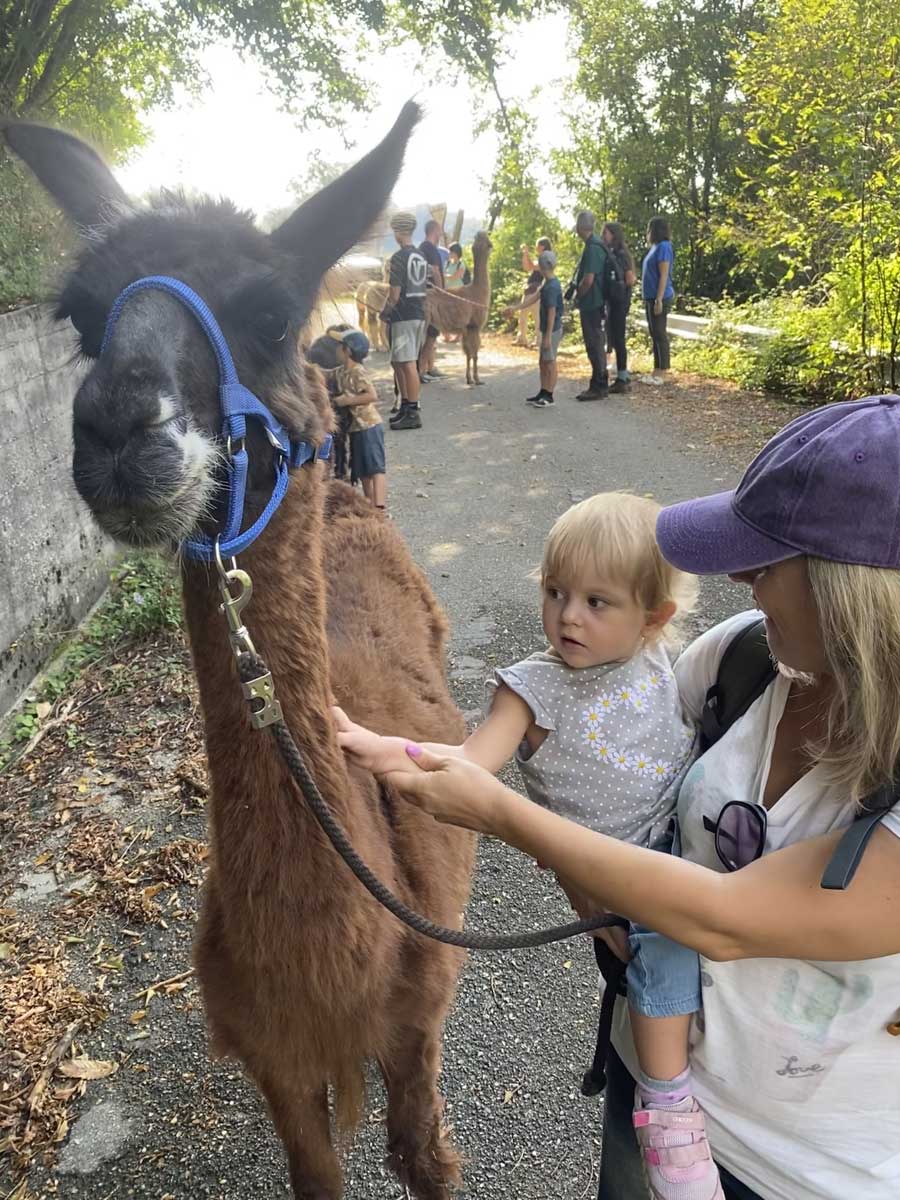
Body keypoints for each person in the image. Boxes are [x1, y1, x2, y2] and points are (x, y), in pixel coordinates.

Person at [357, 395, 900, 1200]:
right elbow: (596, 759)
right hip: (647, 1081)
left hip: (808, 1173)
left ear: (853, 592)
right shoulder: (743, 660)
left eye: (768, 560)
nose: (742, 579)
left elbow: (724, 919)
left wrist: (510, 817)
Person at [335, 491, 721, 1199]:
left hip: (693, 836)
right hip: (630, 872)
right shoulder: (532, 688)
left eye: (597, 602)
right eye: (555, 592)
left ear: (653, 619)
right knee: (660, 966)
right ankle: (669, 1110)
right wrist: (376, 745)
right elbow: (464, 764)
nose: (568, 616)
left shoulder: (664, 660)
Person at [330, 330, 386, 510]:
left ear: (348, 350)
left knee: (375, 468)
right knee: (362, 469)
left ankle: (379, 506)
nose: (337, 349)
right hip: (355, 428)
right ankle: (369, 503)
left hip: (369, 425)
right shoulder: (341, 372)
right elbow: (324, 373)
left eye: (340, 346)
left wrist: (347, 401)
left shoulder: (358, 372)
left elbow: (372, 395)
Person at [382, 211, 427, 431]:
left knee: (408, 362)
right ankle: (405, 406)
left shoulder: (399, 258)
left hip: (403, 315)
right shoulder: (420, 255)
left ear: (399, 231)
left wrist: (385, 311)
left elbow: (394, 294)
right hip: (418, 313)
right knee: (398, 361)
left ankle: (413, 410)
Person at [504, 249, 564, 407]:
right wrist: (515, 308)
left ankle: (549, 396)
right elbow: (534, 298)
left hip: (552, 329)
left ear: (543, 267)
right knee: (543, 361)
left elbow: (552, 313)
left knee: (550, 362)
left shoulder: (552, 287)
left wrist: (547, 336)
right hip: (546, 328)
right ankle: (543, 391)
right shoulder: (547, 283)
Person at [572, 212, 610, 401]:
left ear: (580, 227)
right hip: (595, 301)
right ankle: (599, 383)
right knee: (596, 342)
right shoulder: (595, 244)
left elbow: (588, 280)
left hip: (592, 302)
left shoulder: (593, 248)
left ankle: (598, 385)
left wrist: (577, 296)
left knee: (594, 343)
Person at [602, 222, 637, 394]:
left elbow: (630, 278)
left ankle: (623, 377)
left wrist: (619, 287)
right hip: (613, 301)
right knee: (613, 337)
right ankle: (618, 374)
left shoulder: (621, 254)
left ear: (614, 235)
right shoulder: (611, 253)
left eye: (606, 233)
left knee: (619, 338)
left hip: (620, 301)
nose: (604, 236)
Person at [642, 216, 675, 382]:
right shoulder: (654, 248)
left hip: (659, 296)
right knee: (654, 333)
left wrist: (659, 299)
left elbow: (663, 274)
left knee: (660, 332)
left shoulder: (663, 246)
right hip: (649, 296)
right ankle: (656, 369)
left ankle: (664, 370)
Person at [417, 218, 445, 383]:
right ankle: (421, 370)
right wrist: (442, 292)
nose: (441, 233)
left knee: (430, 334)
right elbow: (435, 271)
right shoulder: (430, 248)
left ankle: (427, 368)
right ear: (434, 230)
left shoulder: (422, 247)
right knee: (431, 333)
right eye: (440, 229)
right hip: (433, 296)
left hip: (426, 294)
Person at [515, 236, 553, 348]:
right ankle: (522, 338)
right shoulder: (540, 258)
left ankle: (539, 340)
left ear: (542, 246)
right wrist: (525, 254)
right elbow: (527, 267)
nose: (536, 247)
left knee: (537, 316)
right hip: (529, 289)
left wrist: (527, 253)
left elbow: (533, 266)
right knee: (523, 315)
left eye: (537, 245)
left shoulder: (547, 259)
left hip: (538, 289)